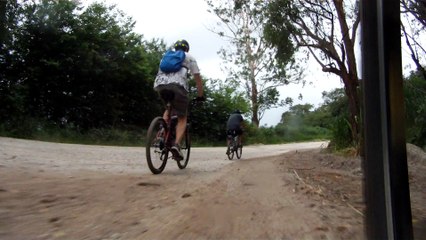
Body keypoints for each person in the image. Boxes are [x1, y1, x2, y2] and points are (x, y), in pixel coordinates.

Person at [154, 39, 204, 160]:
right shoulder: (189, 57)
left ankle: (161, 133)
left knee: (168, 107)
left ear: (175, 48)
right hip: (177, 86)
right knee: (182, 117)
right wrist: (200, 96)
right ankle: (176, 145)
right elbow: (197, 79)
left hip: (160, 85)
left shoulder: (166, 56)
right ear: (186, 49)